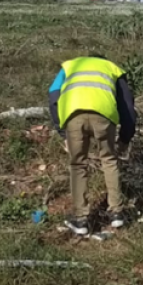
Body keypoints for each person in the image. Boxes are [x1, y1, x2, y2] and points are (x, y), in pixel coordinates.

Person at [47, 54, 136, 235]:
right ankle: (116, 212)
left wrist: (62, 132)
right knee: (109, 160)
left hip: (73, 115)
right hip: (103, 115)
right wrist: (125, 138)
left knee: (78, 164)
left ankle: (80, 219)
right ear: (103, 60)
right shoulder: (113, 68)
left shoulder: (70, 66)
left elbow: (53, 95)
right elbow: (127, 105)